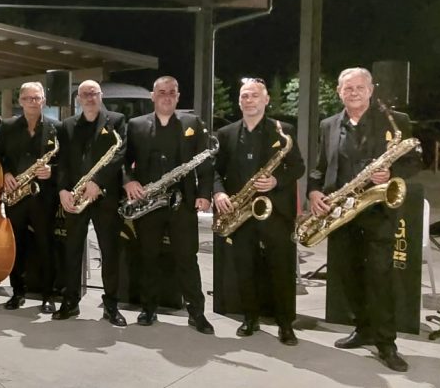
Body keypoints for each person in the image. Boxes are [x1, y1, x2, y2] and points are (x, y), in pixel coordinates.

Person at [308, 67, 421, 372]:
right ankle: (363, 328)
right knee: (349, 276)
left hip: (378, 212)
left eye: (360, 87)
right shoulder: (329, 125)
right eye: (348, 88)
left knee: (380, 280)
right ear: (339, 92)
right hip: (341, 213)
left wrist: (392, 173)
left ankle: (386, 343)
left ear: (371, 90)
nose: (354, 92)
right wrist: (314, 191)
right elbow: (320, 166)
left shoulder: (396, 121)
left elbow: (414, 161)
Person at [213, 78, 303, 345]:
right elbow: (215, 170)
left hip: (274, 212)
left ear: (266, 100)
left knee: (281, 269)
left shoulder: (283, 131)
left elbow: (298, 167)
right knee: (245, 268)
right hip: (240, 212)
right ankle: (250, 318)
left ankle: (285, 324)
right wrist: (219, 193)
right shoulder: (226, 133)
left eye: (254, 95)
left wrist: (276, 180)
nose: (249, 100)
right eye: (244, 96)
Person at [122, 75, 214, 334]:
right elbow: (123, 161)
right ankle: (148, 308)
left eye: (172, 92)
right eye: (161, 92)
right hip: (148, 203)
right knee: (148, 257)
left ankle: (196, 313)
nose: (166, 97)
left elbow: (205, 163)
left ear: (178, 96)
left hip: (182, 203)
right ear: (153, 96)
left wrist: (204, 193)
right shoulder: (135, 125)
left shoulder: (192, 123)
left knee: (187, 258)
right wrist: (129, 182)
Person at [52, 80, 127, 323]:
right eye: (85, 94)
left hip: (105, 195)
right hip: (75, 195)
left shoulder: (116, 120)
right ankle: (70, 302)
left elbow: (119, 154)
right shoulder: (67, 125)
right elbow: (62, 161)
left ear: (101, 95)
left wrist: (98, 182)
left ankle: (111, 305)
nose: (89, 98)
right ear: (78, 99)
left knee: (110, 252)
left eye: (93, 93)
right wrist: (62, 190)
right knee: (72, 251)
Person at [0, 81, 62, 314]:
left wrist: (53, 171)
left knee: (46, 246)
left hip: (44, 198)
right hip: (16, 196)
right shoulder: (8, 126)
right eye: (28, 98)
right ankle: (17, 292)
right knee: (17, 246)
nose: (33, 102)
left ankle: (48, 295)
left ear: (44, 100)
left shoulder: (56, 127)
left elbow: (66, 161)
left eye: (37, 98)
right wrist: (5, 174)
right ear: (20, 101)